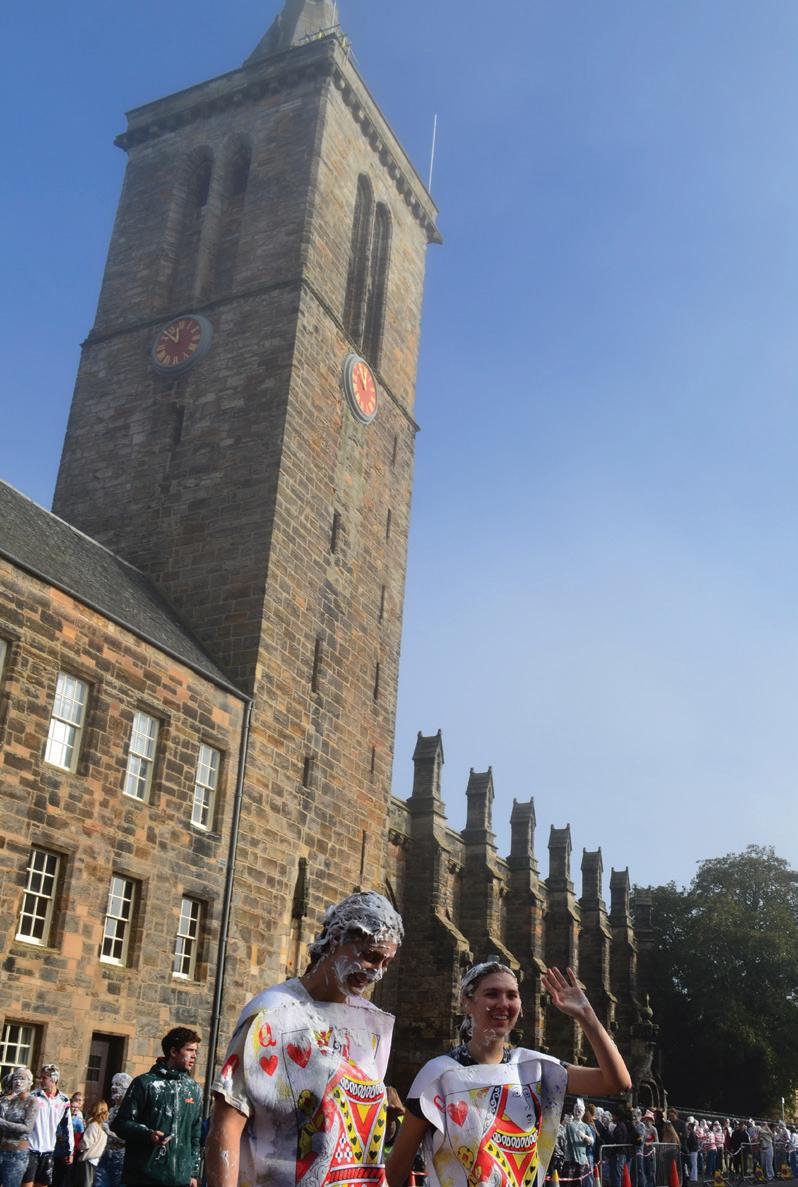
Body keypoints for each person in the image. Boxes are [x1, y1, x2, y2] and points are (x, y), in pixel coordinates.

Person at [206, 890, 404, 1187]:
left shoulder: (372, 1025)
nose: (376, 972)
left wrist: (380, 1122)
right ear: (336, 939)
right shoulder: (273, 1013)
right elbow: (228, 1123)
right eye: (370, 956)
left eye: (386, 963)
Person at [385, 961, 631, 1187]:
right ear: (467, 1002)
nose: (503, 1004)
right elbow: (396, 1170)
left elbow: (616, 1081)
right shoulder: (438, 1075)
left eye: (512, 995)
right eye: (492, 994)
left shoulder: (533, 1068)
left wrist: (586, 1015)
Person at [111, 1027, 202, 1187]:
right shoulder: (145, 1083)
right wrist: (148, 1134)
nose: (194, 1055)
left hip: (181, 1180)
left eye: (196, 1051)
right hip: (144, 1178)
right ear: (173, 1051)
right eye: (189, 1050)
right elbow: (120, 1123)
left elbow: (195, 1135)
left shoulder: (194, 1089)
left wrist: (193, 1173)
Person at [22, 1065, 74, 1187]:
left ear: (54, 1079)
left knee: (42, 1184)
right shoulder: (33, 1096)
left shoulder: (63, 1100)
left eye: (44, 1078)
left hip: (49, 1151)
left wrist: (69, 1150)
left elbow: (67, 1126)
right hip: (30, 1149)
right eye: (40, 1077)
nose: (41, 1080)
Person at [0, 1068, 38, 1187]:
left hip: (16, 1155)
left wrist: (4, 1123)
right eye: (15, 1078)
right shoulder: (9, 1100)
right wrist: (4, 1101)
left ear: (29, 1082)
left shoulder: (32, 1101)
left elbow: (27, 1128)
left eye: (22, 1079)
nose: (18, 1082)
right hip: (2, 1149)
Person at [95, 1076, 132, 1187]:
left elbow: (127, 1138)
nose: (114, 1087)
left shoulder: (130, 1112)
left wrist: (108, 1131)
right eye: (113, 1084)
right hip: (106, 1154)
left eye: (118, 1085)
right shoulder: (112, 1109)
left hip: (120, 1158)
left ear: (127, 1089)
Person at [54, 1095, 85, 1187]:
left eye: (77, 1108)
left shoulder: (78, 1122)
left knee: (66, 1174)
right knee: (56, 1173)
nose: (75, 1109)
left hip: (71, 1150)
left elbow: (81, 1136)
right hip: (58, 1150)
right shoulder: (62, 1118)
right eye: (73, 1107)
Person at [75, 1104, 109, 1187]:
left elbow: (86, 1144)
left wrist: (78, 1147)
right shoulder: (103, 1127)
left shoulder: (93, 1125)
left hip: (88, 1159)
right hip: (96, 1160)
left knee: (85, 1184)